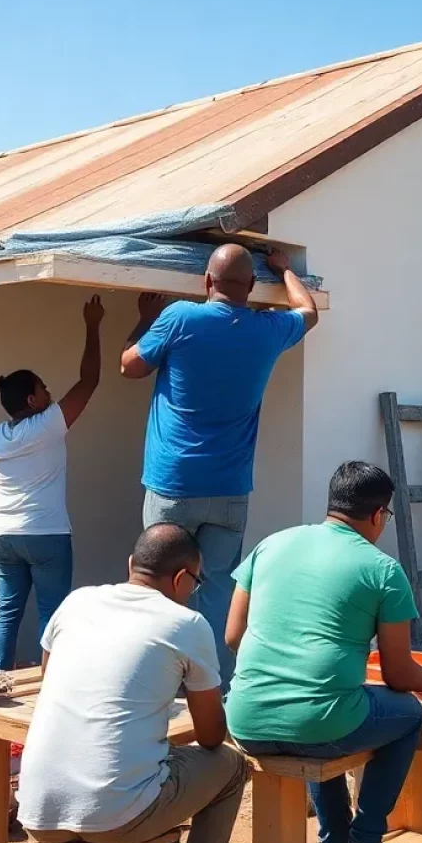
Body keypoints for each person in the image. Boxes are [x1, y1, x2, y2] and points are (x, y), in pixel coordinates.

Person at [121, 244, 318, 688]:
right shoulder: (269, 328)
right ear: (249, 287)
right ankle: (213, 691)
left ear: (206, 282)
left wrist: (143, 320)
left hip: (173, 485)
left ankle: (157, 686)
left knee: (156, 590)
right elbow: (308, 311)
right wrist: (284, 271)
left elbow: (128, 366)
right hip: (228, 490)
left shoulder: (178, 318)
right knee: (215, 594)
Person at [225, 461, 422, 843]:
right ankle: (366, 842)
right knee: (406, 716)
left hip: (245, 720)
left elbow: (233, 635)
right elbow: (398, 673)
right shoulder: (383, 569)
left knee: (329, 711)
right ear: (378, 515)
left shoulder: (271, 544)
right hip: (320, 721)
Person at [18, 523, 247, 843]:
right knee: (230, 766)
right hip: (113, 817)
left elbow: (49, 678)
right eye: (195, 584)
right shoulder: (186, 622)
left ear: (131, 565)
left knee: (148, 769)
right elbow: (211, 735)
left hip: (38, 810)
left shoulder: (75, 602)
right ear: (182, 578)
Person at [0, 296, 104, 670]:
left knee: (8, 612)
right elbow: (90, 380)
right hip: (46, 533)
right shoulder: (48, 423)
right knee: (52, 614)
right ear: (32, 400)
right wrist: (93, 325)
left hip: (2, 534)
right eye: (45, 389)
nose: (51, 393)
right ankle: (49, 691)